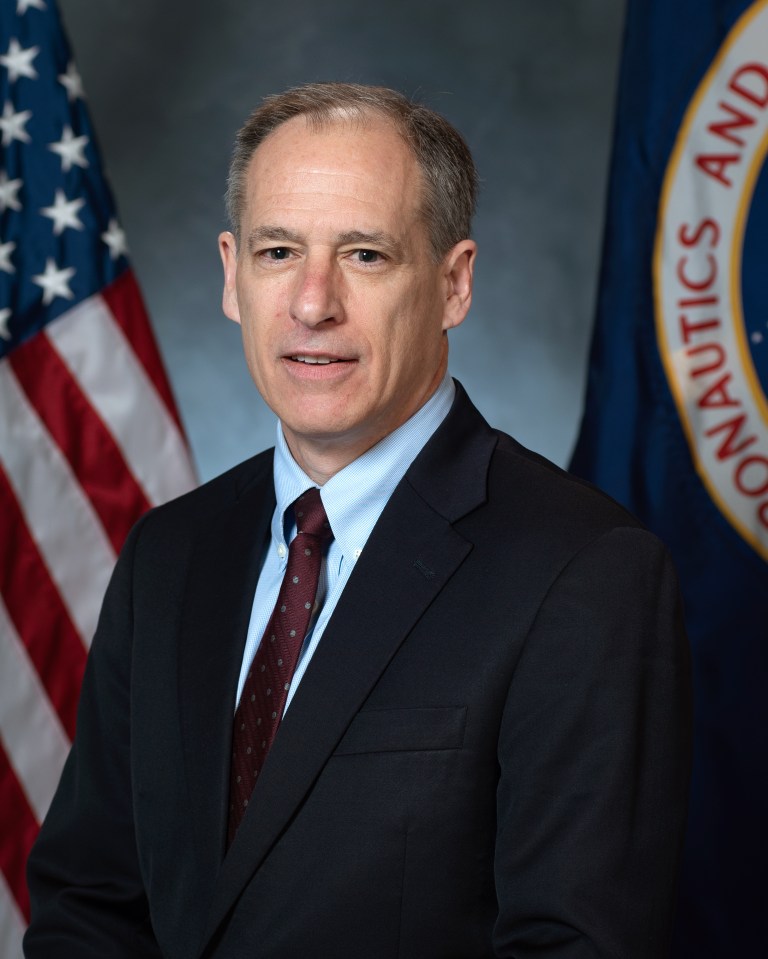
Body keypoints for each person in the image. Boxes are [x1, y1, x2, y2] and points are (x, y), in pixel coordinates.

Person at [24, 83, 692, 959]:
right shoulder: (168, 555)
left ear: (454, 284)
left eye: (366, 254)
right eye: (277, 252)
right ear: (231, 275)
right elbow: (89, 906)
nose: (311, 303)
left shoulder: (586, 573)